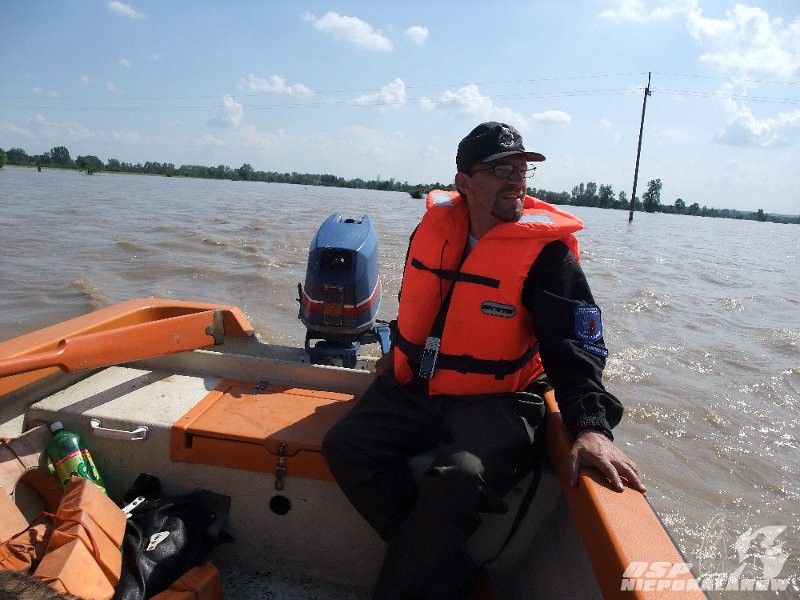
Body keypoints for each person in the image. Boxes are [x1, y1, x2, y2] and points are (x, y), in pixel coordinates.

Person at [322, 122, 645, 599]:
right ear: (464, 183)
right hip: (421, 387)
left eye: (522, 170)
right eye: (500, 170)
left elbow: (575, 348)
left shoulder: (548, 257)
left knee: (459, 480)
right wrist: (398, 353)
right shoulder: (433, 230)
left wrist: (591, 426)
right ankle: (454, 575)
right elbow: (421, 304)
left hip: (500, 400)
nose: (515, 180)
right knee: (346, 445)